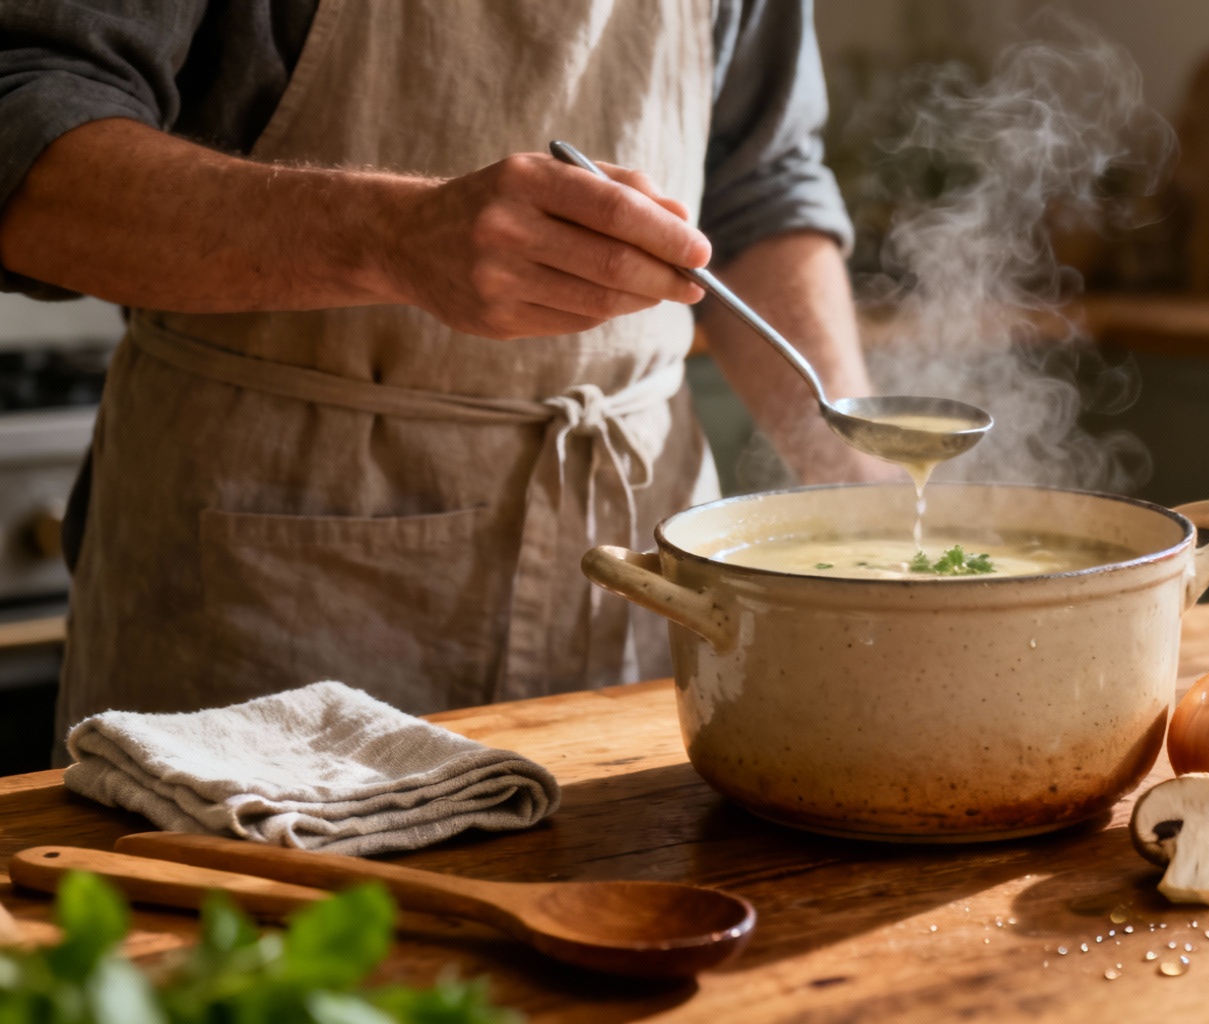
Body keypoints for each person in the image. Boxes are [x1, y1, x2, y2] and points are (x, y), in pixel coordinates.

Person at [0, 0, 891, 743]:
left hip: (639, 577)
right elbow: (24, 125)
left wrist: (874, 511)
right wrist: (387, 238)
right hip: (267, 574)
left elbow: (759, 187)